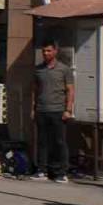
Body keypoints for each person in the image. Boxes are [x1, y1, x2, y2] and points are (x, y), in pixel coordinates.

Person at [32, 39, 74, 182]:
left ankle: (62, 173)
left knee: (60, 142)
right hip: (42, 110)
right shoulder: (38, 69)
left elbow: (70, 90)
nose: (46, 53)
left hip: (58, 111)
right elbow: (35, 90)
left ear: (55, 51)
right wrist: (34, 108)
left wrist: (68, 109)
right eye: (44, 51)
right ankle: (41, 171)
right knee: (42, 141)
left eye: (49, 50)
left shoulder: (64, 69)